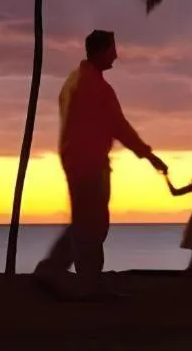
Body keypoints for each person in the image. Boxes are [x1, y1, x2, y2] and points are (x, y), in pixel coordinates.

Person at [34, 30, 168, 300]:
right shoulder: (95, 87)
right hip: (89, 163)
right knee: (92, 225)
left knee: (86, 223)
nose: (116, 55)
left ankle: (54, 270)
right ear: (101, 50)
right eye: (112, 49)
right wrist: (149, 155)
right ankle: (88, 282)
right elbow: (119, 126)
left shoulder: (74, 81)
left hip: (77, 161)